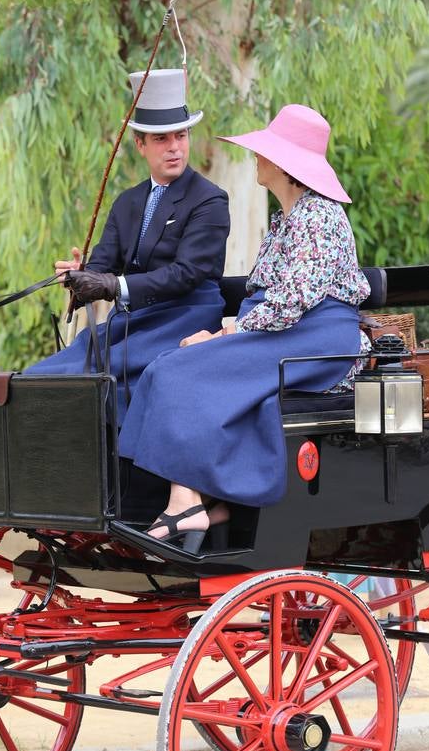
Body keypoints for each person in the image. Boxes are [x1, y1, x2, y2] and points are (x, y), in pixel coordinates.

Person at [118, 103, 371, 551]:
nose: (256, 158)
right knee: (169, 365)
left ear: (284, 164)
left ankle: (186, 504)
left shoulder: (319, 216)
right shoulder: (287, 219)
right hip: (286, 331)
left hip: (317, 337)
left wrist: (225, 333)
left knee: (181, 369)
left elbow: (291, 302)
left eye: (264, 152)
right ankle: (201, 496)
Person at [24, 69, 230, 423]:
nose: (175, 147)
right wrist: (81, 276)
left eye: (181, 136)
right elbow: (103, 265)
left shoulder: (209, 200)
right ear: (141, 144)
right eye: (162, 139)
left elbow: (186, 274)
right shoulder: (128, 202)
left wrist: (113, 286)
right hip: (134, 323)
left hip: (184, 316)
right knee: (42, 377)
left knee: (98, 384)